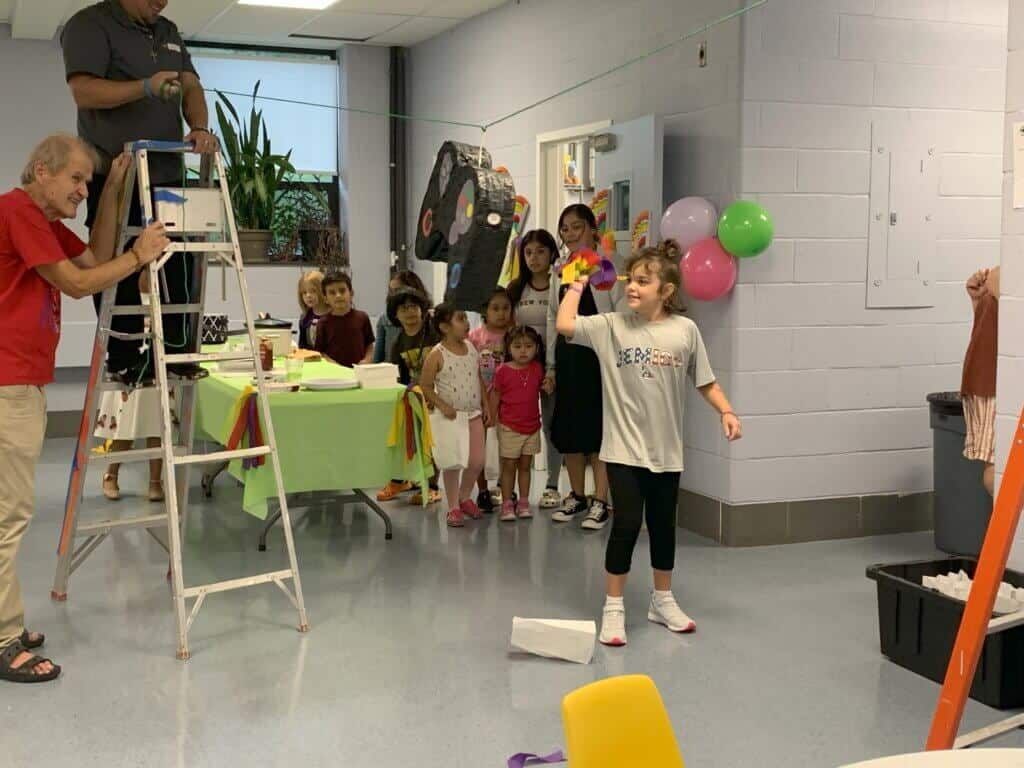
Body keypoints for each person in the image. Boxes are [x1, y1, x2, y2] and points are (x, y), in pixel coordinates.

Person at [0, 133, 167, 683]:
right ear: (41, 171)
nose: (81, 190)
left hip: (20, 382)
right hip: (8, 385)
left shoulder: (42, 223)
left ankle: (4, 622)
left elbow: (94, 253)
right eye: (75, 179)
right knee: (8, 516)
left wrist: (113, 188)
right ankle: (1, 640)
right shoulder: (19, 211)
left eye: (87, 182)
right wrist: (139, 256)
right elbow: (77, 282)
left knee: (8, 512)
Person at [555, 241, 742, 647]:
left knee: (662, 527)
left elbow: (705, 380)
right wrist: (576, 284)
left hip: (667, 452)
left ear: (667, 290)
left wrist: (726, 411)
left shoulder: (685, 331)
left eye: (644, 281)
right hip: (623, 450)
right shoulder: (611, 325)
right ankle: (614, 607)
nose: (633, 287)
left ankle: (662, 600)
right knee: (625, 524)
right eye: (632, 279)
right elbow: (565, 324)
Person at [62, 0, 218, 383]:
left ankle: (179, 353)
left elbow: (191, 85)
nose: (161, 2)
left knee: (178, 263)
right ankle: (124, 356)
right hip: (117, 171)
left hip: (168, 174)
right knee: (118, 266)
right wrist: (145, 87)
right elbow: (84, 92)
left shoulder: (168, 30)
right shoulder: (89, 23)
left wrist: (199, 126)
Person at [547, 204, 616, 529]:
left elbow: (618, 315)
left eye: (577, 226)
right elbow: (553, 317)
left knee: (598, 434)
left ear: (592, 228)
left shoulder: (606, 265)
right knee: (569, 431)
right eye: (565, 228)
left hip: (598, 361)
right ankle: (577, 495)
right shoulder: (563, 269)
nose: (570, 234)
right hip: (568, 359)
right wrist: (551, 366)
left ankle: (600, 501)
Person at [420, 303, 491, 528]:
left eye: (466, 318)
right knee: (453, 462)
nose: (467, 323)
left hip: (474, 414)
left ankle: (464, 496)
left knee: (477, 461)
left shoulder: (471, 348)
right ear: (444, 327)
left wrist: (486, 405)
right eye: (460, 318)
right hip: (451, 419)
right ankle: (453, 507)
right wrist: (442, 406)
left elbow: (478, 378)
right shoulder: (436, 354)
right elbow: (425, 386)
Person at [506, 229, 561, 509]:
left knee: (551, 426)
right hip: (520, 370)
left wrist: (552, 369)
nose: (534, 258)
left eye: (540, 251)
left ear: (552, 254)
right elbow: (505, 329)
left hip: (552, 369)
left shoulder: (560, 284)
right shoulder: (515, 289)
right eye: (528, 252)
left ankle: (552, 485)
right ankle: (508, 488)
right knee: (514, 426)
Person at [377, 287, 442, 505]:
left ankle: (432, 487)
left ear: (422, 308)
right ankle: (401, 480)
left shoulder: (434, 332)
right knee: (407, 436)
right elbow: (399, 378)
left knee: (433, 444)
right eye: (403, 308)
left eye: (414, 306)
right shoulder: (398, 343)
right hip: (415, 398)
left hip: (440, 395)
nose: (410, 312)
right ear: (395, 315)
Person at [490, 326, 546, 522]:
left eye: (528, 346)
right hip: (509, 427)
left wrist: (549, 384)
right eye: (517, 346)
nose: (523, 351)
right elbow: (496, 395)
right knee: (509, 466)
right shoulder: (502, 371)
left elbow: (542, 387)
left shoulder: (538, 368)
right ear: (509, 347)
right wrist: (491, 416)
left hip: (532, 427)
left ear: (536, 348)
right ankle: (507, 504)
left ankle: (523, 502)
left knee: (525, 466)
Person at [468, 287, 514, 512]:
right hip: (481, 400)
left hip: (510, 400)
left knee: (509, 448)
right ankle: (483, 491)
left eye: (506, 308)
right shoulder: (475, 337)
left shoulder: (515, 335)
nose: (501, 313)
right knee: (480, 449)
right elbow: (471, 369)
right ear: (485, 310)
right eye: (495, 308)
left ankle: (508, 490)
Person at [961, 266, 1000, 496]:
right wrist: (980, 302)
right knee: (996, 469)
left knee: (996, 470)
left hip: (991, 382)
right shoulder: (1002, 273)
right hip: (988, 382)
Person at [313, 273, 374, 367]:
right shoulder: (323, 323)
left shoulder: (362, 317)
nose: (338, 295)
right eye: (332, 292)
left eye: (342, 291)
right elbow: (320, 352)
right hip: (335, 372)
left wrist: (367, 360)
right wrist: (332, 363)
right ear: (325, 299)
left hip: (359, 370)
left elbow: (369, 345)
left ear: (351, 293)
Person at [372, 270, 431, 363]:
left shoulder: (433, 323)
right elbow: (377, 359)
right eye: (391, 291)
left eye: (413, 306)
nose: (410, 311)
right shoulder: (396, 342)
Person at [297, 270, 328, 350]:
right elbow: (302, 346)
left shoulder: (334, 315)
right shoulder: (305, 318)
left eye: (313, 291)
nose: (308, 295)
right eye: (304, 292)